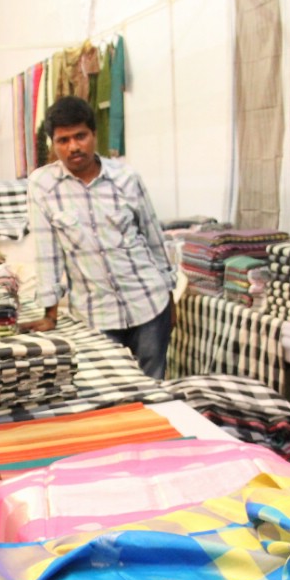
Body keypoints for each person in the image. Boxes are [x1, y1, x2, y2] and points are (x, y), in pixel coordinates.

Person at [26, 95, 175, 378]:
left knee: (153, 390)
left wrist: (170, 299)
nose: (73, 147)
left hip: (150, 304)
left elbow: (154, 239)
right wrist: (50, 314)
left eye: (80, 136)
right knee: (109, 394)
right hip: (96, 314)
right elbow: (47, 253)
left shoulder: (127, 177)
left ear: (94, 134)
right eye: (63, 140)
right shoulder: (42, 186)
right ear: (53, 144)